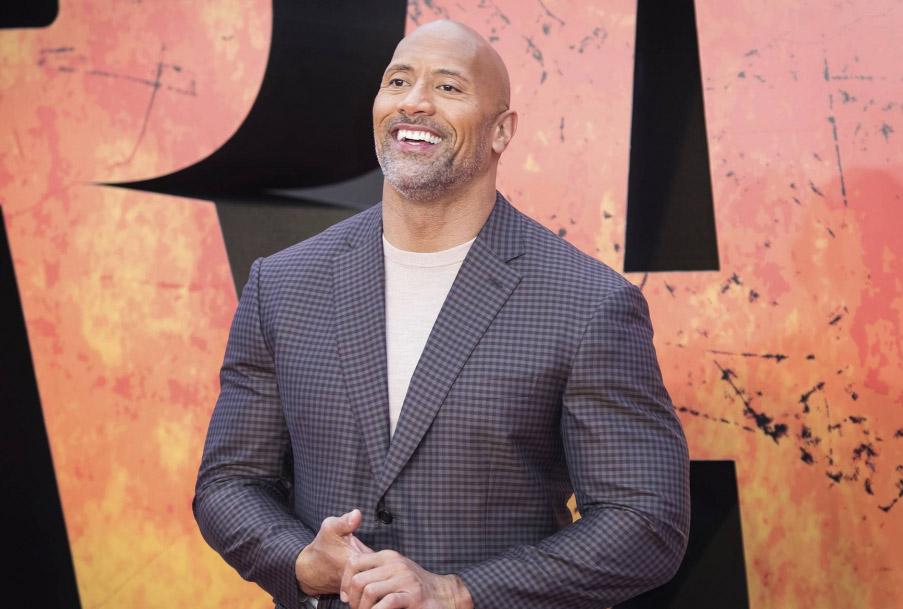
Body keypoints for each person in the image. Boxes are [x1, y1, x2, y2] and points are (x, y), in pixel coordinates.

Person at [193, 19, 690, 609]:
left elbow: (646, 521)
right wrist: (301, 562)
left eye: (448, 87)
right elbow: (229, 482)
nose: (414, 102)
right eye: (398, 81)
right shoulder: (283, 284)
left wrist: (457, 592)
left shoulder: (588, 302)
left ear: (502, 131)